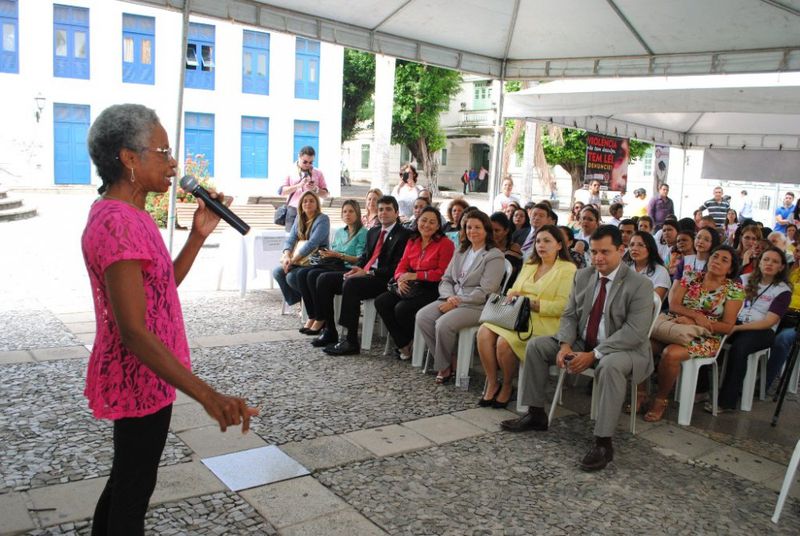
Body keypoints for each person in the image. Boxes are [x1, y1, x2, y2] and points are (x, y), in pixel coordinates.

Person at [83, 104, 257, 533]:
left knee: (128, 479)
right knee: (133, 491)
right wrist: (208, 396)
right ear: (129, 158)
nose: (174, 163)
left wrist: (198, 235)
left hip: (153, 373)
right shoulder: (118, 223)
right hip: (140, 372)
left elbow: (159, 290)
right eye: (162, 151)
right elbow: (134, 331)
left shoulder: (133, 216)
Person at [501, 225, 654, 472]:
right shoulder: (583, 276)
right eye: (593, 252)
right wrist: (565, 345)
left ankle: (603, 442)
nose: (598, 258)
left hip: (623, 349)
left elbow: (634, 332)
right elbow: (570, 315)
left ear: (621, 250)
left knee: (609, 366)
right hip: (584, 340)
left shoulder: (639, 285)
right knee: (538, 346)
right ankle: (536, 413)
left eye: (605, 252)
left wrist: (594, 354)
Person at [477, 225, 577, 408]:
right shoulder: (530, 264)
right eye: (538, 241)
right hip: (517, 316)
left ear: (559, 245)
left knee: (503, 342)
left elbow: (563, 307)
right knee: (483, 331)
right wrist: (513, 295)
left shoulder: (567, 269)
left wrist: (531, 304)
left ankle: (507, 385)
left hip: (545, 322)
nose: (541, 245)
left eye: (547, 241)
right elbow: (515, 289)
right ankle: (492, 382)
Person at [644, 245, 744, 422]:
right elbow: (674, 305)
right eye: (715, 256)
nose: (717, 261)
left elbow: (727, 326)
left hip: (706, 337)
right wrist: (695, 316)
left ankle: (660, 400)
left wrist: (697, 323)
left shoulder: (733, 289)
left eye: (724, 260)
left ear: (731, 269)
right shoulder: (691, 277)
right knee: (642, 345)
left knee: (671, 354)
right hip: (675, 326)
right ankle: (641, 393)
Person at [312, 196, 411, 354]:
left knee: (351, 285)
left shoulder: (404, 234)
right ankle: (330, 330)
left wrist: (368, 272)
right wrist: (356, 269)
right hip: (364, 273)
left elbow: (397, 266)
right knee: (324, 279)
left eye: (388, 209)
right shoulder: (374, 231)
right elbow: (365, 257)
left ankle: (351, 340)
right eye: (380, 209)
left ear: (396, 212)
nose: (383, 213)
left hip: (383, 279)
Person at [415, 211, 506, 384]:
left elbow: (486, 290)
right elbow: (446, 279)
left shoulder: (494, 255)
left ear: (487, 230)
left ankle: (443, 366)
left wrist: (458, 302)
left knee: (443, 324)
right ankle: (450, 360)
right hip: (452, 299)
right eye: (469, 227)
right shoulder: (461, 251)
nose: (473, 231)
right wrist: (450, 297)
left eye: (477, 227)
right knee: (423, 317)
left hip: (477, 305)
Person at [375, 206, 455, 360]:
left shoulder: (445, 244)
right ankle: (404, 344)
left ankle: (413, 341)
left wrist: (416, 275)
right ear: (418, 221)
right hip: (411, 284)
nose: (427, 225)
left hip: (433, 287)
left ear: (438, 226)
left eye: (432, 222)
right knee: (382, 301)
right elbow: (402, 264)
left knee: (402, 309)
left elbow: (442, 273)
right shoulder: (413, 240)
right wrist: (400, 279)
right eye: (424, 220)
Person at [717, 247, 791, 411]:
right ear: (759, 262)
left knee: (740, 348)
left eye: (775, 261)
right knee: (712, 337)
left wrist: (736, 328)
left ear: (781, 267)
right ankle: (704, 389)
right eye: (766, 259)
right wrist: (731, 325)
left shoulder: (783, 290)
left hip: (761, 331)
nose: (769, 264)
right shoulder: (744, 279)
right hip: (736, 322)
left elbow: (769, 321)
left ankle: (727, 402)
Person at [296, 200, 368, 335]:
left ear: (358, 213)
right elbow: (333, 251)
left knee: (314, 275)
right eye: (344, 211)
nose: (347, 214)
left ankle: (321, 318)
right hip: (334, 264)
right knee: (302, 274)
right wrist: (327, 254)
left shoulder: (363, 232)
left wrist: (339, 255)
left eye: (351, 211)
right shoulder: (340, 231)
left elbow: (360, 258)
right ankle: (313, 315)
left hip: (349, 267)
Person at [272, 191, 330, 307]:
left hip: (316, 258)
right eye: (305, 201)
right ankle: (300, 301)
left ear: (317, 204)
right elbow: (290, 239)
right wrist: (287, 255)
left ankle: (311, 302)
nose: (308, 203)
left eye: (311, 201)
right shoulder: (299, 218)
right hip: (300, 259)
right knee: (278, 272)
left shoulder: (323, 219)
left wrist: (292, 260)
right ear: (301, 204)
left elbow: (312, 244)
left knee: (291, 277)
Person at [767, 247, 800, 389]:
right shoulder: (789, 269)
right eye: (797, 250)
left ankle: (763, 382)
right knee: (757, 331)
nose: (798, 254)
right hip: (779, 314)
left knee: (782, 339)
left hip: (796, 321)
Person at [279, 146, 329, 232]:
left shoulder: (318, 173)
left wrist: (315, 189)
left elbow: (326, 195)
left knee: (310, 241)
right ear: (299, 156)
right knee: (290, 240)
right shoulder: (289, 170)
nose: (308, 165)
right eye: (305, 162)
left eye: (311, 162)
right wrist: (298, 186)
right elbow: (282, 192)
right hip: (294, 210)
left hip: (312, 211)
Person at [626, 231, 671, 301]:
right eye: (631, 245)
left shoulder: (660, 272)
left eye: (640, 245)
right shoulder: (625, 269)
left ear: (650, 248)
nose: (634, 248)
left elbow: (653, 303)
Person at [490, 212, 524, 284]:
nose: (493, 234)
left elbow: (505, 276)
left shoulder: (514, 249)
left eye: (497, 230)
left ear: (506, 231)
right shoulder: (487, 246)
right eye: (490, 230)